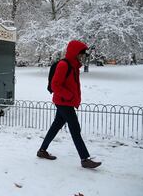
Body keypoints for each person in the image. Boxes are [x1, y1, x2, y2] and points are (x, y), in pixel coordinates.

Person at [37, 40, 101, 169]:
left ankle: (42, 151)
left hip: (66, 102)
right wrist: (69, 96)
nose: (82, 57)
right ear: (75, 53)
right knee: (75, 129)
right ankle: (85, 159)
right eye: (80, 54)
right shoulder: (64, 65)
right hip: (64, 102)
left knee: (56, 126)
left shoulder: (74, 66)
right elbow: (55, 85)